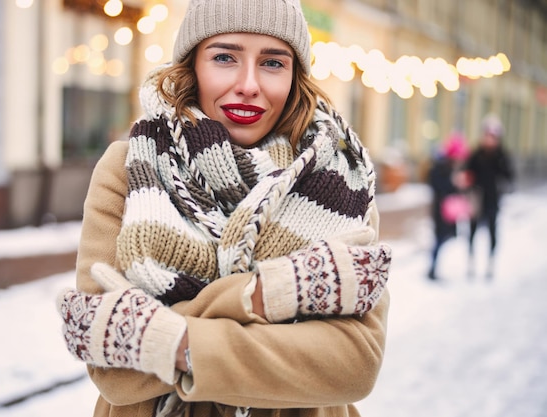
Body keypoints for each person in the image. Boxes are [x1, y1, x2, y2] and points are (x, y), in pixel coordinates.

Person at [56, 1, 392, 417]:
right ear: (191, 66)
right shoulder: (129, 167)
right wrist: (269, 295)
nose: (248, 84)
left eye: (272, 62)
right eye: (224, 57)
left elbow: (352, 367)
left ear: (294, 77)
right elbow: (114, 373)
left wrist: (169, 340)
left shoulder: (342, 183)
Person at [465, 114, 514, 278]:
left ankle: (490, 263)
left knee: (492, 231)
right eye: (487, 135)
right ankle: (471, 262)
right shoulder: (476, 154)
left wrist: (503, 185)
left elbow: (509, 177)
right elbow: (467, 173)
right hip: (477, 199)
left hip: (493, 200)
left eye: (493, 136)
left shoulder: (502, 156)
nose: (489, 139)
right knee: (472, 231)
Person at [426, 132, 471, 280]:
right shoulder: (442, 167)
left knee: (444, 238)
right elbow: (437, 184)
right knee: (439, 238)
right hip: (441, 209)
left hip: (448, 210)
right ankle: (432, 269)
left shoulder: (452, 167)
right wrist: (453, 184)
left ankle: (434, 268)